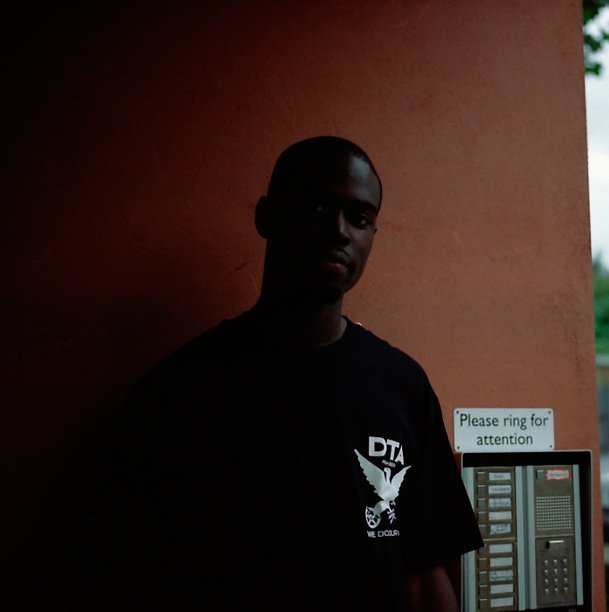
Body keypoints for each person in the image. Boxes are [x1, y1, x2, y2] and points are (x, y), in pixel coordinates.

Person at [42, 136, 482, 611]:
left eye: (359, 218)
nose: (339, 231)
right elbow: (128, 573)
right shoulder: (178, 390)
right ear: (267, 217)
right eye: (317, 206)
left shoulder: (401, 386)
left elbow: (426, 574)